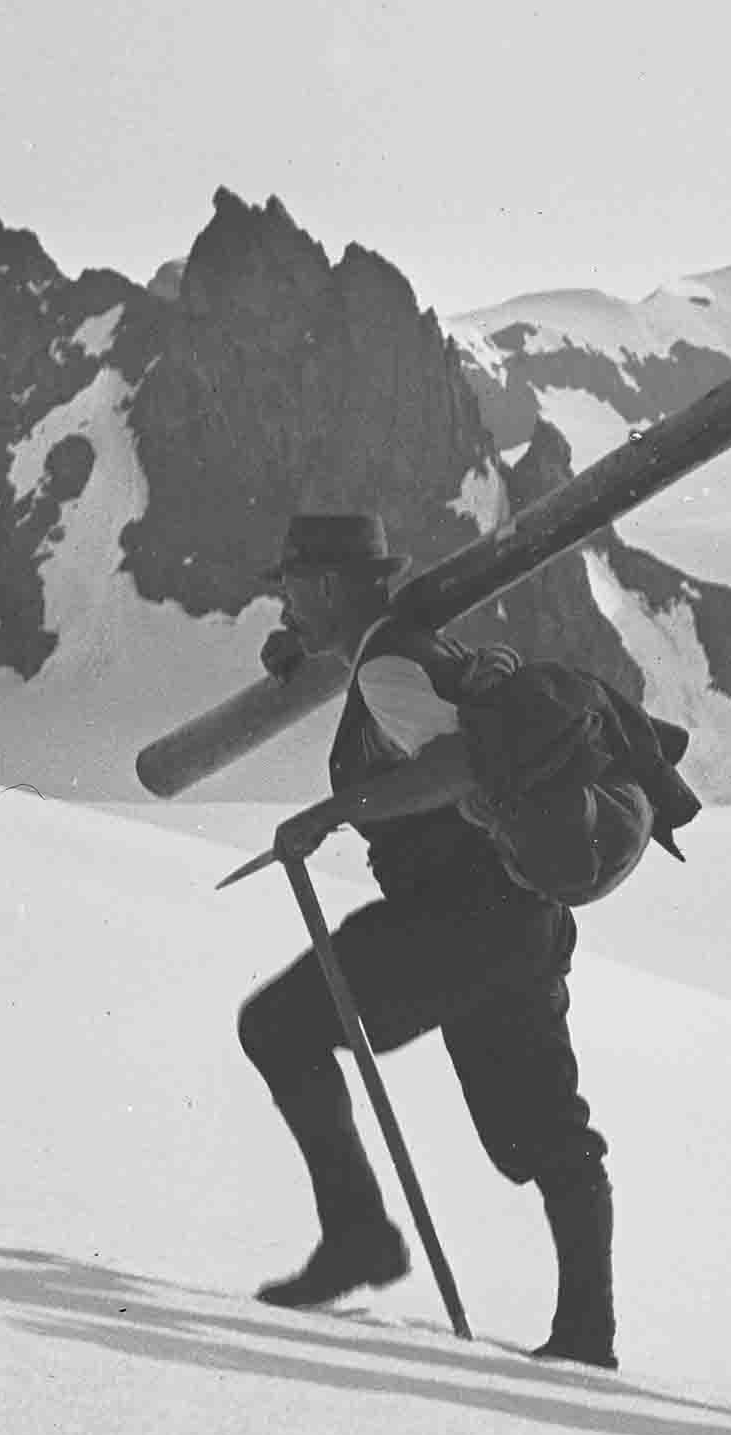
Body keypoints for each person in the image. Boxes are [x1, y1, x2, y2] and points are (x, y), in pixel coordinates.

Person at [235, 512, 620, 1367]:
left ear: (330, 586)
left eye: (294, 585)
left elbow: (456, 765)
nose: (284, 600)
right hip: (517, 921)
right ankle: (588, 1335)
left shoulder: (391, 666)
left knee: (278, 1027)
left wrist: (332, 813)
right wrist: (309, 653)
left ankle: (359, 1237)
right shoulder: (398, 655)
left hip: (455, 916)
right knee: (544, 1132)